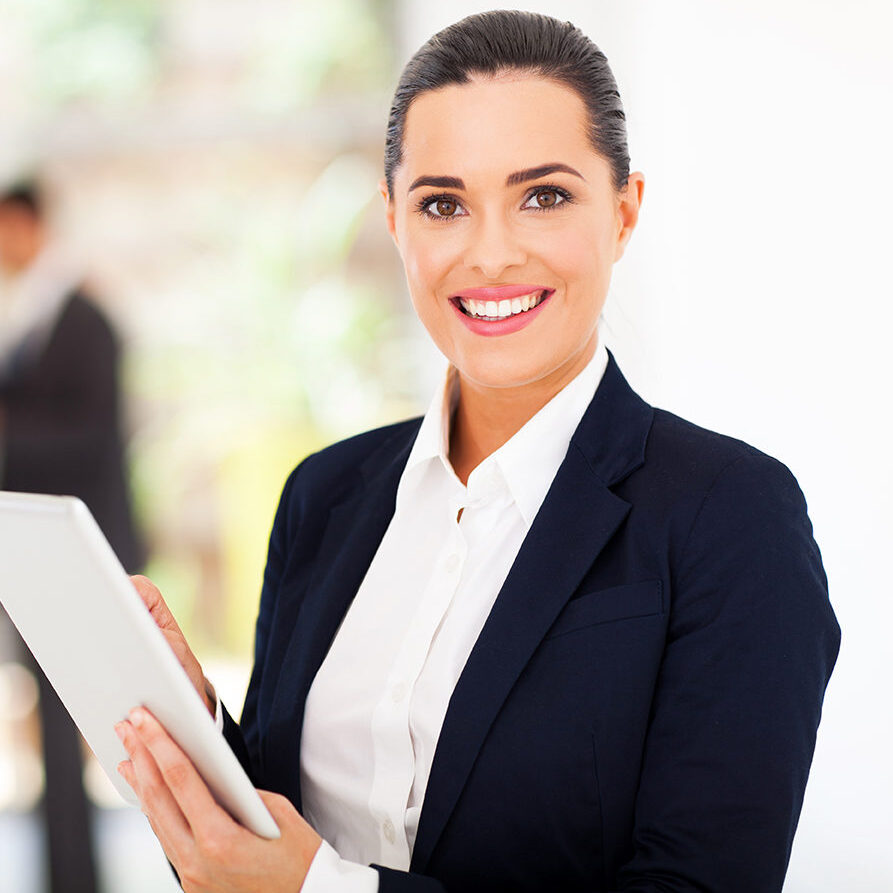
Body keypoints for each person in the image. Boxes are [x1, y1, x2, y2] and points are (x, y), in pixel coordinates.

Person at [114, 11, 840, 892]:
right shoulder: (326, 494)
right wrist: (192, 740)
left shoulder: (729, 515)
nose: (490, 254)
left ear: (622, 211)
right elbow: (278, 840)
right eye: (443, 204)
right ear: (393, 220)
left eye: (543, 195)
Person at [0, 179, 145, 893]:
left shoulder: (84, 319)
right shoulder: (24, 318)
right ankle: (67, 874)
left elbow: (91, 437)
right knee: (54, 731)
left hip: (87, 551)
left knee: (119, 721)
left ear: (31, 225)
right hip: (36, 555)